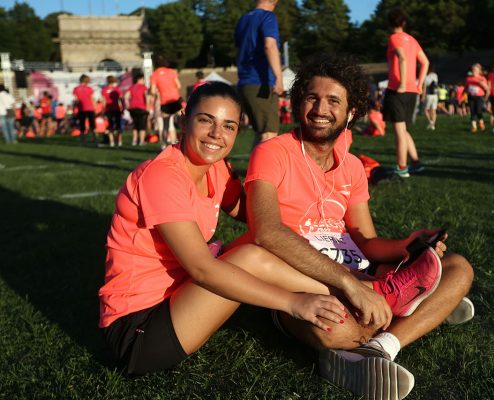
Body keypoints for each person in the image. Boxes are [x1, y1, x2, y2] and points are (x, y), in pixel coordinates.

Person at [237, 53, 474, 400]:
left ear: (350, 113)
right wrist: (351, 286)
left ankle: (382, 345)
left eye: (333, 100)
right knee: (335, 330)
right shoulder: (273, 152)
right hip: (305, 280)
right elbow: (267, 232)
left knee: (459, 267)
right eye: (312, 98)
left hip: (364, 272)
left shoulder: (350, 166)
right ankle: (420, 309)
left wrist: (407, 244)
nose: (320, 108)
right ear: (299, 103)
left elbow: (366, 239)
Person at [98, 81, 347, 376]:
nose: (217, 134)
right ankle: (346, 294)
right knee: (249, 256)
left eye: (228, 126)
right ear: (183, 120)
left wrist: (310, 209)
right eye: (206, 120)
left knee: (260, 240)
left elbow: (253, 215)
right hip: (138, 330)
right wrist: (294, 302)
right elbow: (202, 269)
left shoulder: (217, 168)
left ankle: (347, 294)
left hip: (179, 297)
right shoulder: (162, 176)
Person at [382, 7, 429, 178]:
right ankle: (416, 162)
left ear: (389, 24)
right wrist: (419, 84)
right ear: (404, 23)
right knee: (403, 129)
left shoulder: (394, 38)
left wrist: (401, 83)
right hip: (411, 91)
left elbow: (401, 57)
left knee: (399, 131)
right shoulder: (412, 39)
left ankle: (402, 168)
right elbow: (425, 62)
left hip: (398, 90)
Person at [234, 0, 284, 148]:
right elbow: (270, 45)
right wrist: (279, 77)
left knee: (261, 133)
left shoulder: (243, 19)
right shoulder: (268, 17)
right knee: (269, 134)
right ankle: (262, 171)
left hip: (245, 82)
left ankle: (253, 170)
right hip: (260, 82)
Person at [150, 55, 183, 148]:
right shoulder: (172, 72)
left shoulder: (154, 75)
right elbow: (179, 85)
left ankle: (163, 145)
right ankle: (179, 142)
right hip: (175, 100)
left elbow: (152, 91)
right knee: (184, 121)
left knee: (165, 125)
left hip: (165, 102)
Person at [125, 72, 150, 146]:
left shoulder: (131, 87)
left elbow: (126, 97)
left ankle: (134, 141)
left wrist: (128, 105)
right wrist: (148, 107)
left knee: (135, 125)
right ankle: (141, 141)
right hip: (142, 108)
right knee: (142, 125)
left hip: (132, 108)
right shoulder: (143, 87)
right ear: (141, 79)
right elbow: (147, 97)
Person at [465, 63, 489, 133]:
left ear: (479, 71)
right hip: (471, 97)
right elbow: (466, 88)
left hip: (479, 97)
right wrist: (463, 95)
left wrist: (481, 84)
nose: (473, 71)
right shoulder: (468, 78)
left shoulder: (482, 78)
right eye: (472, 70)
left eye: (475, 70)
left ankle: (481, 122)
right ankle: (474, 127)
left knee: (478, 111)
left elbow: (487, 88)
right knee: (472, 112)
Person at [73, 74, 96, 145]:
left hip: (81, 109)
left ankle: (83, 142)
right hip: (90, 109)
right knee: (92, 126)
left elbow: (76, 100)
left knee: (82, 126)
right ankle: (95, 141)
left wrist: (75, 108)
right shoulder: (89, 88)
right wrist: (95, 108)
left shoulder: (76, 89)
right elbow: (92, 99)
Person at [101, 75, 124, 147]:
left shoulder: (104, 90)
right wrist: (122, 108)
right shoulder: (117, 89)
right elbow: (121, 100)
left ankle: (112, 142)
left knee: (110, 125)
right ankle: (119, 141)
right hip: (116, 109)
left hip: (108, 109)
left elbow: (103, 101)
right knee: (118, 125)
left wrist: (103, 111)